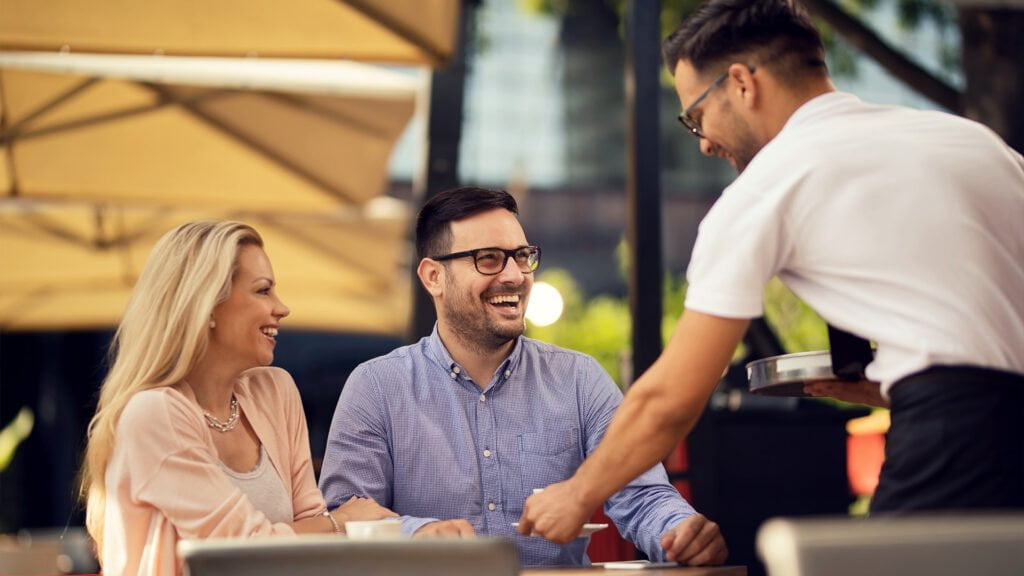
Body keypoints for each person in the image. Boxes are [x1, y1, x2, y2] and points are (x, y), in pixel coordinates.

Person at [517, 0, 1024, 543]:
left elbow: (671, 397)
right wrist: (885, 386)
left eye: (696, 118)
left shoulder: (768, 186)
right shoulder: (974, 143)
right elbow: (985, 351)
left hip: (951, 446)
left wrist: (578, 492)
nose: (705, 142)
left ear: (741, 83)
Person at [318, 187, 727, 566]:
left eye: (521, 255)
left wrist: (679, 531)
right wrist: (419, 532)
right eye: (489, 258)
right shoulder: (376, 387)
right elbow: (343, 516)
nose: (515, 275)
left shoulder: (579, 379)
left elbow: (642, 495)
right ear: (433, 277)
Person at [79, 221, 396, 576]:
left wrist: (329, 526)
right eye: (263, 291)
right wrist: (341, 521)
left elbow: (309, 520)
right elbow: (239, 548)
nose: (282, 308)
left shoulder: (275, 392)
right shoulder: (153, 414)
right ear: (208, 305)